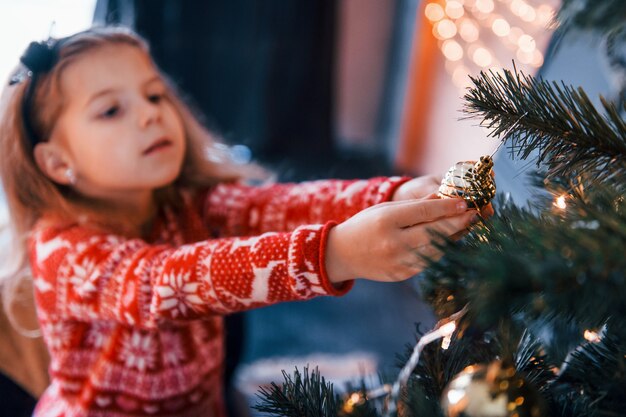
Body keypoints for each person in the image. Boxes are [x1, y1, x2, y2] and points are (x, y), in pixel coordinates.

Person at [0, 26, 483, 417]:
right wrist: (335, 253)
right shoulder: (60, 250)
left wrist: (393, 193)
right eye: (111, 110)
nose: (150, 115)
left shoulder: (184, 202)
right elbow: (161, 284)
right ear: (58, 163)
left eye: (154, 95)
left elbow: (281, 206)